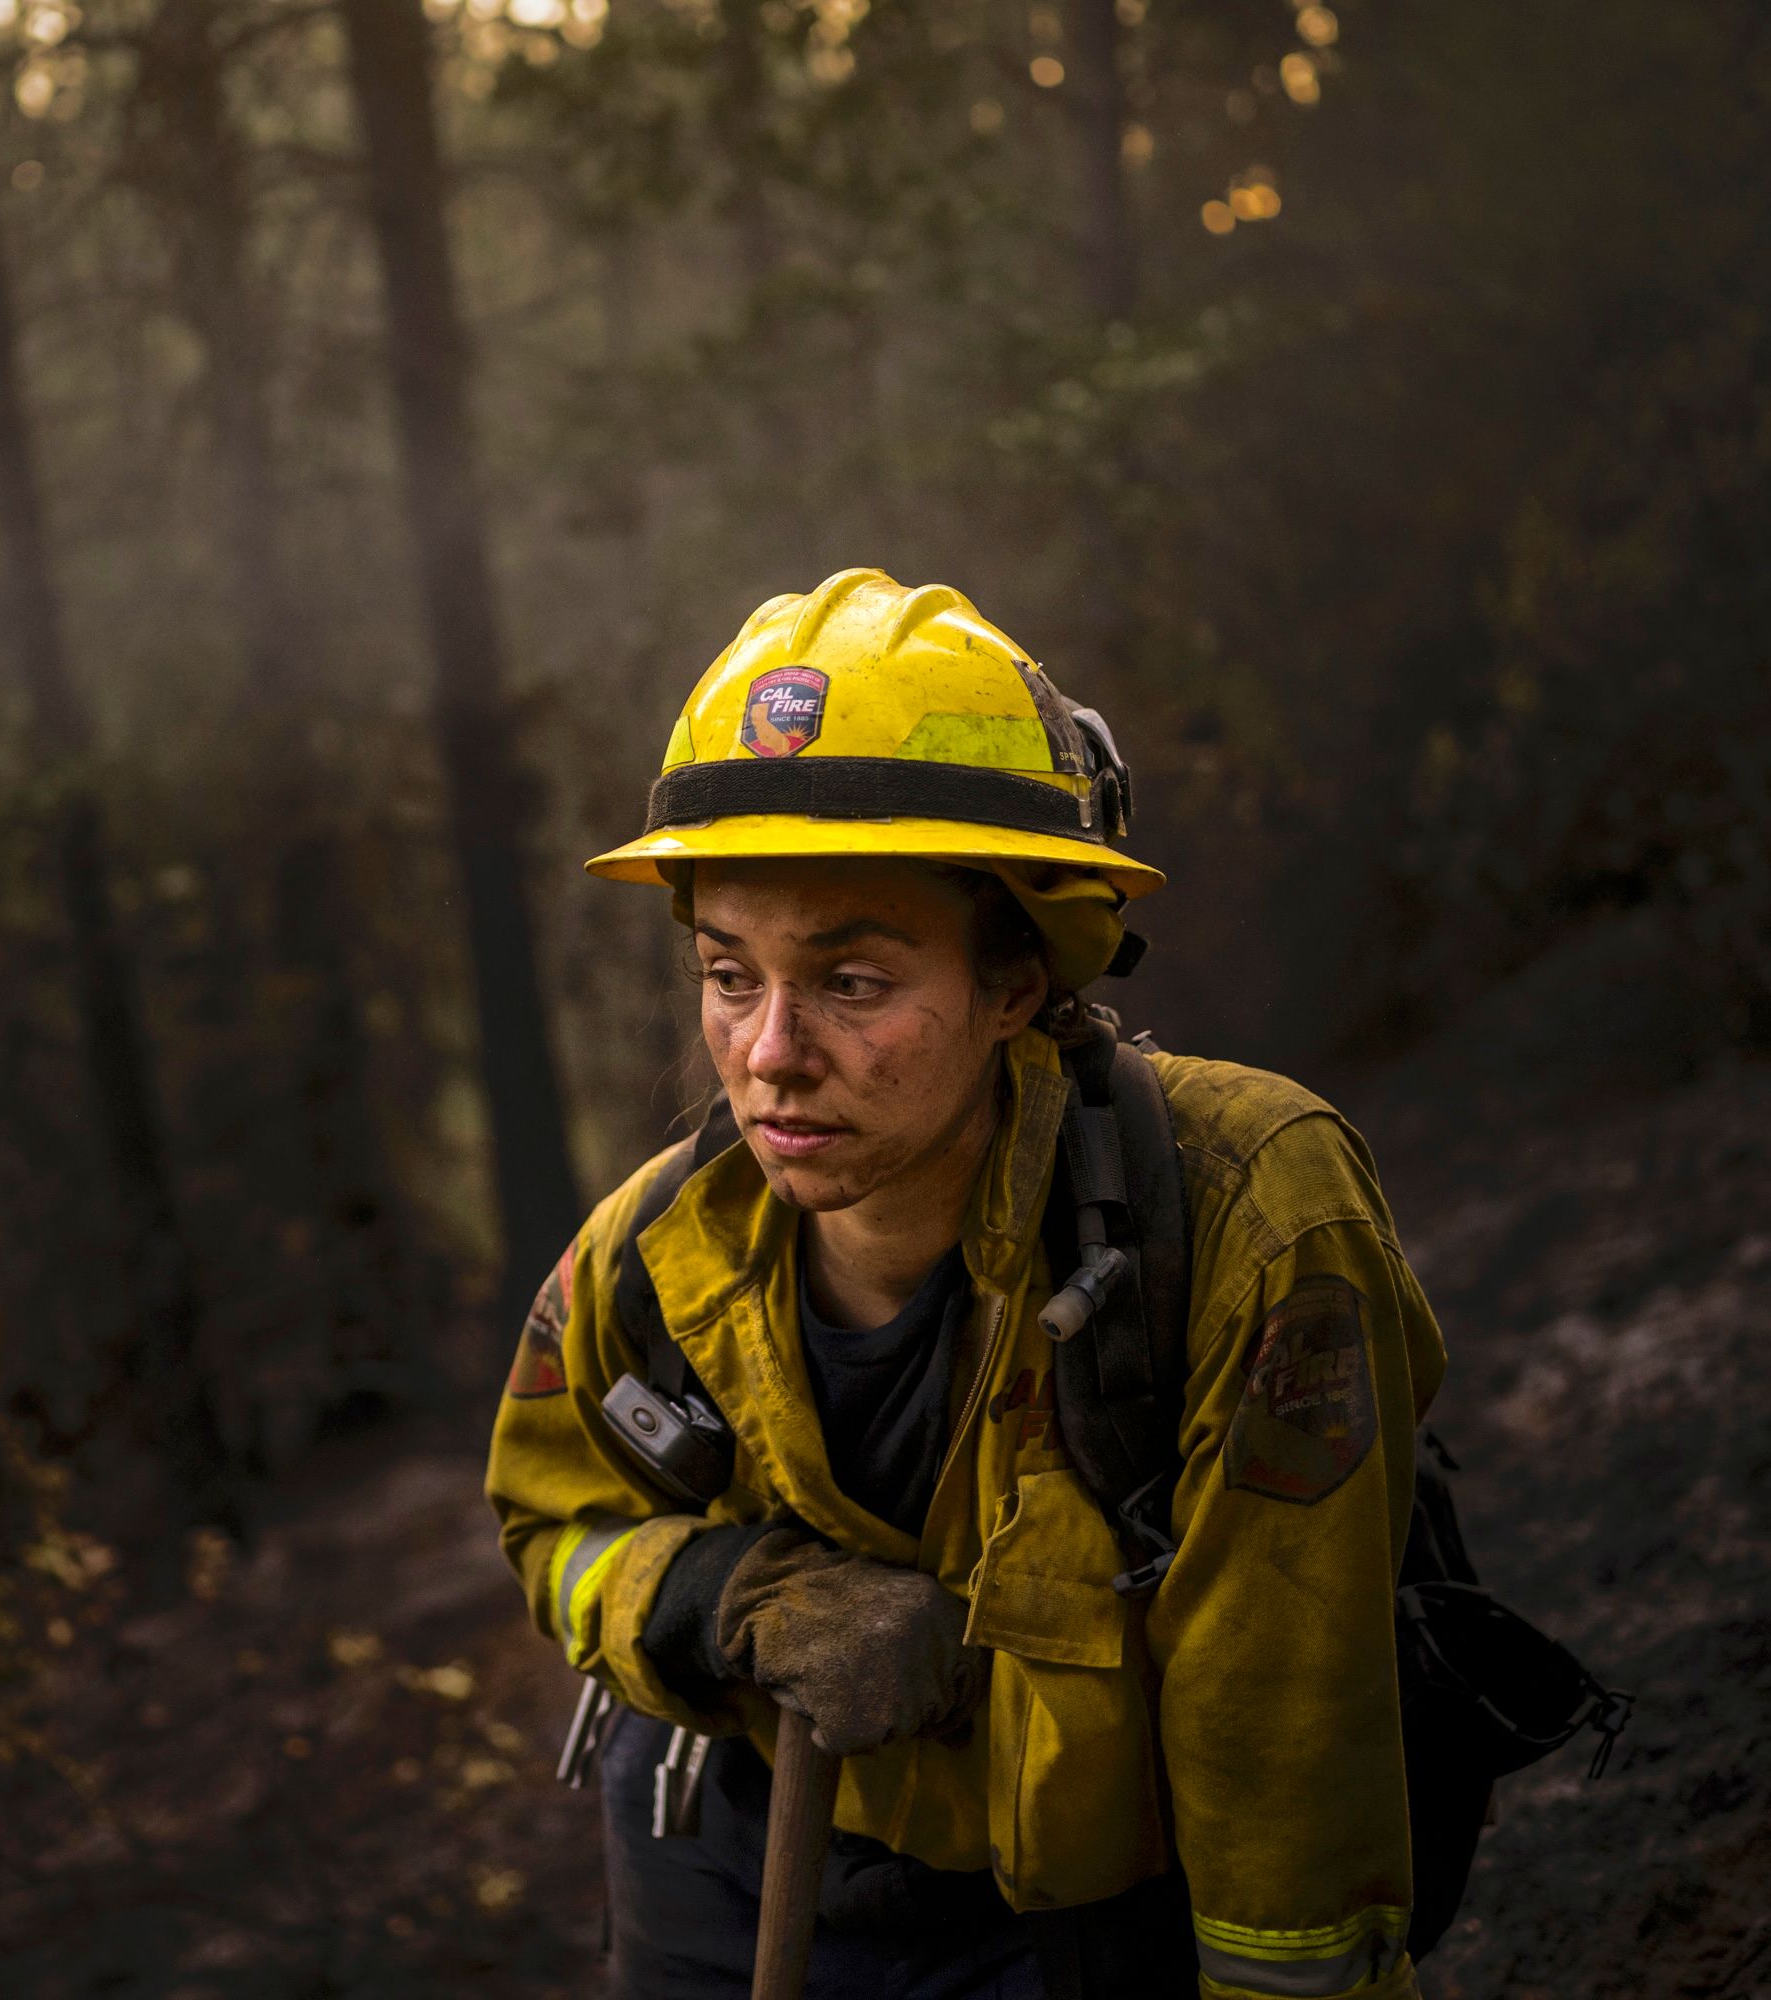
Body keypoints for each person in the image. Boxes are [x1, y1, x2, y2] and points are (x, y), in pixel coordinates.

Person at [487, 570, 1445, 1999]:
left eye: (853, 982)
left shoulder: (1245, 1216)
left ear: (1013, 985)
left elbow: (1284, 1750)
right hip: (729, 1869)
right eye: (729, 976)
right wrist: (721, 1596)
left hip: (1063, 1921)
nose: (768, 1054)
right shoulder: (653, 1252)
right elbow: (551, 1523)